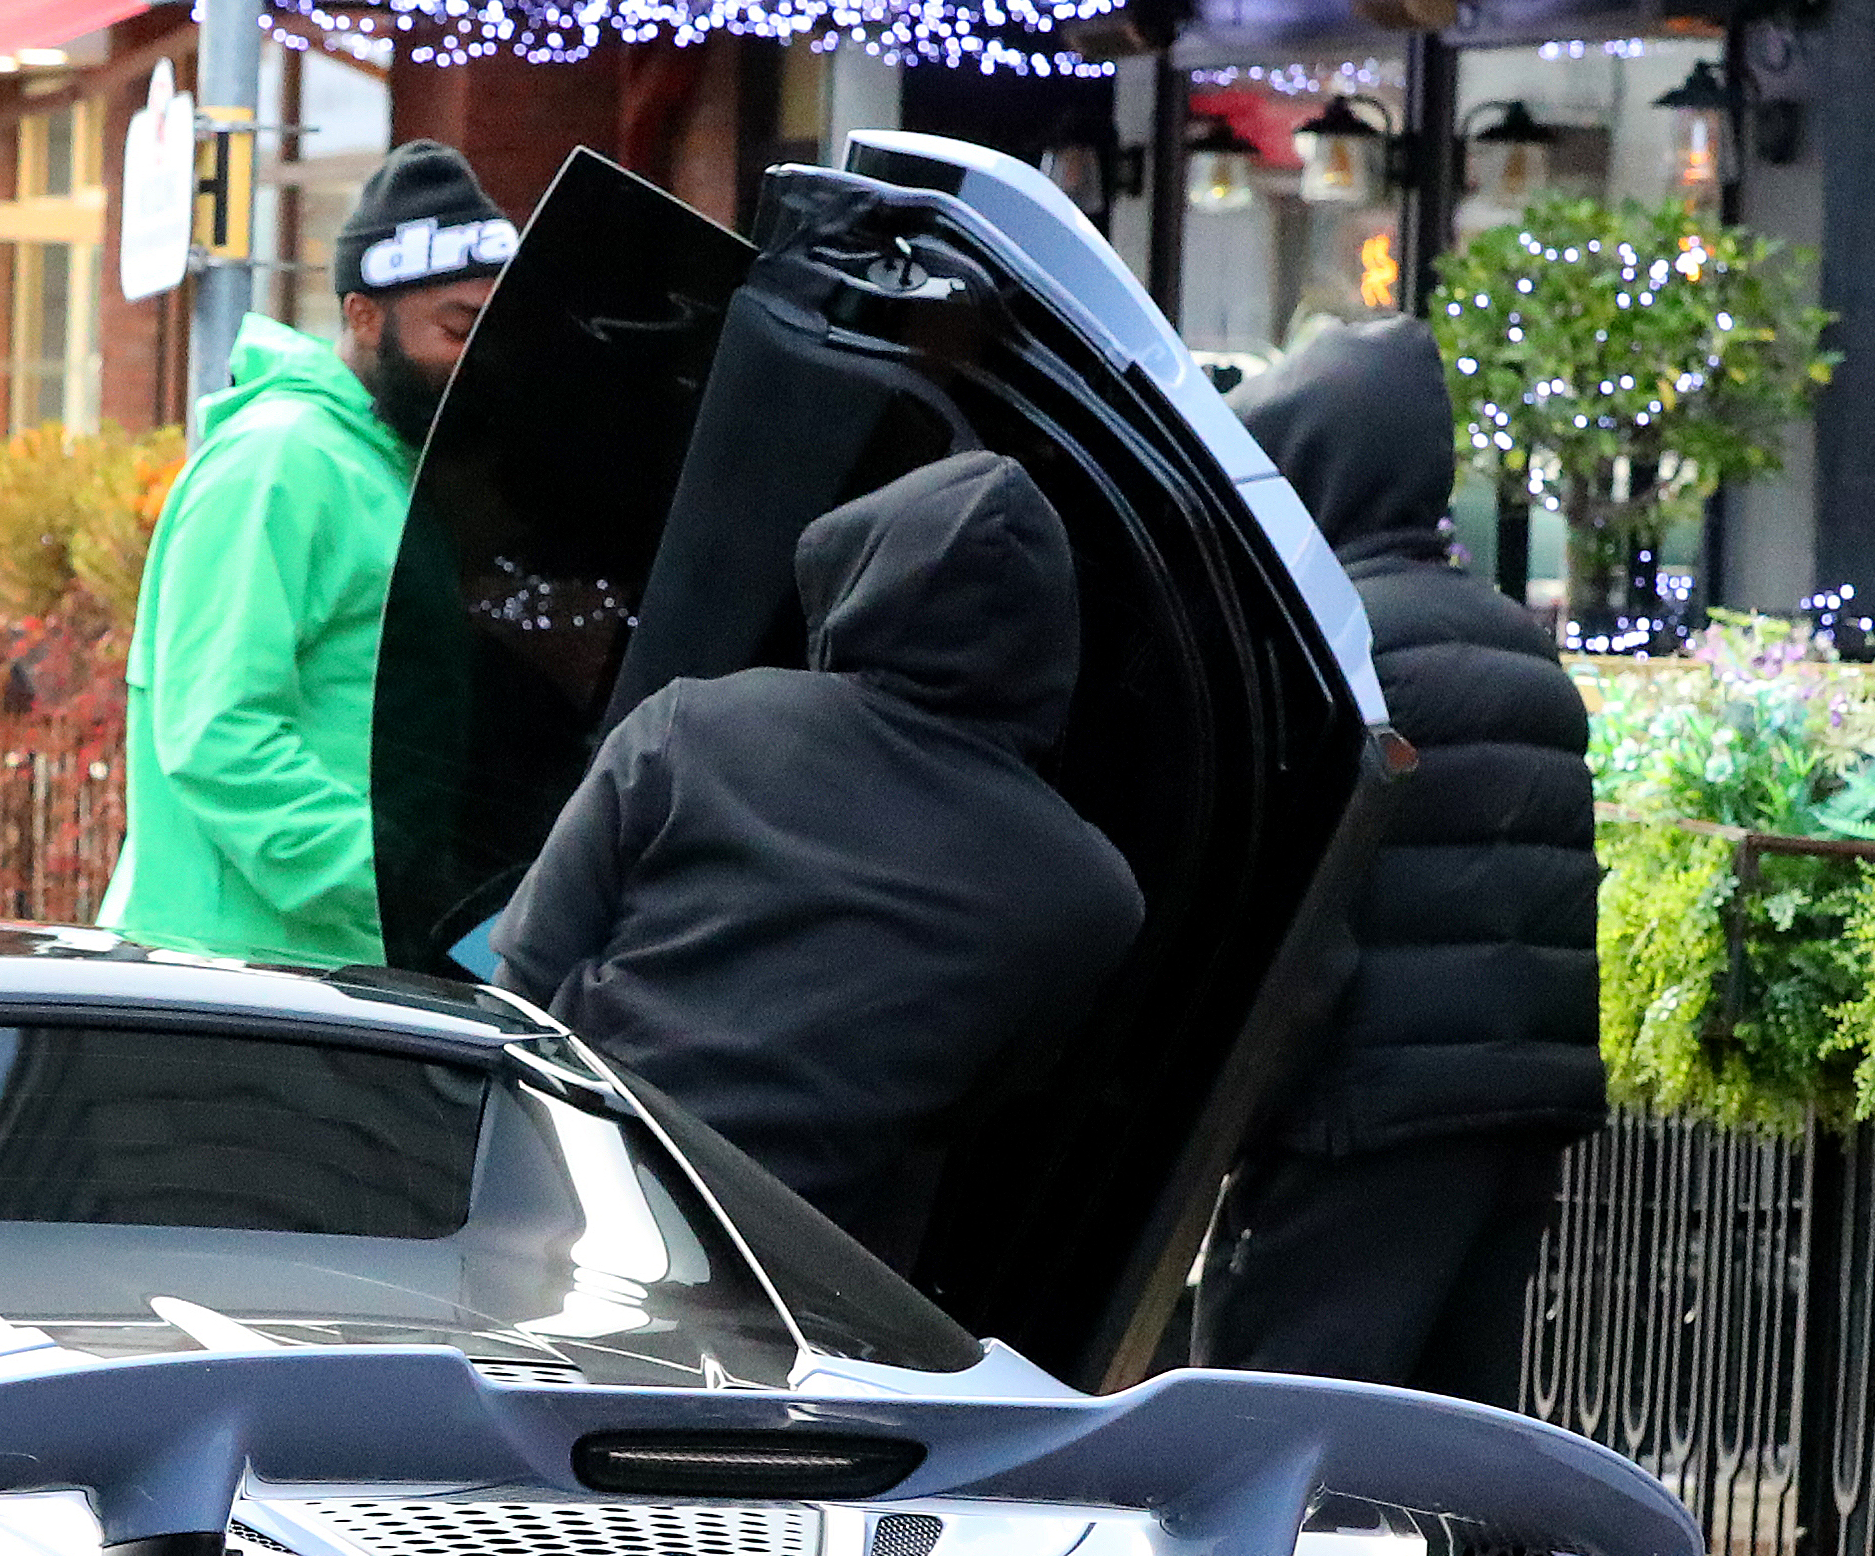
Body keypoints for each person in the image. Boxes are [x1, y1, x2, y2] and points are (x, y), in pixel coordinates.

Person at [498, 450, 1144, 1268]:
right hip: (808, 1281)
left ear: (859, 579)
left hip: (571, 1201)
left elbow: (523, 980)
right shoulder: (1089, 893)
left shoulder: (691, 726)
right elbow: (978, 1103)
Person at [1199, 313, 1603, 1404]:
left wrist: (1233, 1113)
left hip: (1355, 1116)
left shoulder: (1335, 647)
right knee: (1446, 1451)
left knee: (1270, 1444)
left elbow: (1300, 926)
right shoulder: (1518, 645)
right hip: (1511, 1112)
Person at [106, 140, 514, 969]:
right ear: (363, 316)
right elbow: (218, 728)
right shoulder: (279, 462)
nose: (481, 364)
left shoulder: (393, 468)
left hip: (331, 969)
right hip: (232, 979)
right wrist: (394, 883)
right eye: (457, 330)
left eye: (495, 333)